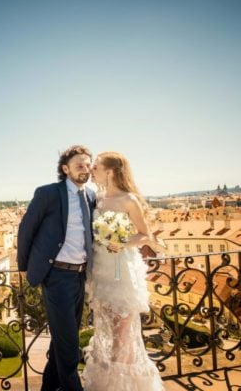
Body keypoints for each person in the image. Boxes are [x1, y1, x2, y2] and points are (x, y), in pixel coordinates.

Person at [82, 151, 164, 390]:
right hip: (101, 272)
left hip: (124, 272)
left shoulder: (129, 199)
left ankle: (123, 385)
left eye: (95, 167)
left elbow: (145, 234)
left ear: (109, 171)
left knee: (122, 334)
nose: (91, 171)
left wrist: (122, 241)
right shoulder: (96, 197)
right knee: (104, 329)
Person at [17, 145, 96, 391]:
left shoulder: (91, 196)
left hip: (79, 276)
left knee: (63, 339)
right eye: (79, 165)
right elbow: (26, 229)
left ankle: (48, 387)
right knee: (69, 345)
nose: (85, 170)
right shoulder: (49, 193)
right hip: (57, 275)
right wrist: (23, 266)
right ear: (65, 169)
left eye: (88, 165)